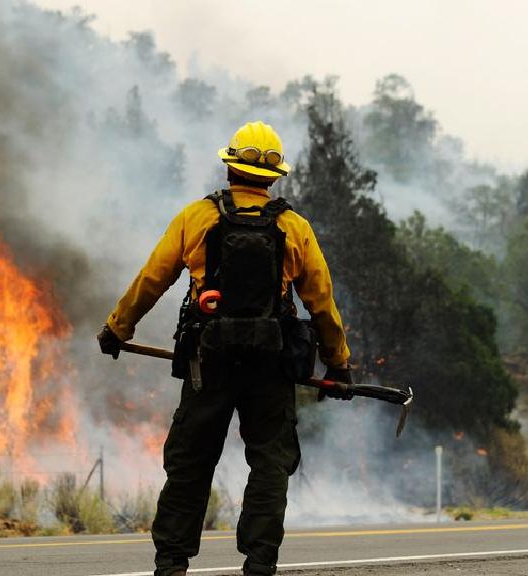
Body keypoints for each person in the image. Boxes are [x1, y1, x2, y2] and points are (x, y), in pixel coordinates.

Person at [97, 121, 351, 576]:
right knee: (270, 464)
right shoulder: (294, 228)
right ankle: (259, 563)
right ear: (274, 178)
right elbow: (322, 303)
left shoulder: (197, 218)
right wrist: (339, 363)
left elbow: (151, 280)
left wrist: (118, 329)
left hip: (208, 364)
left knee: (190, 464)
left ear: (229, 168)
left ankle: (172, 563)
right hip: (270, 367)